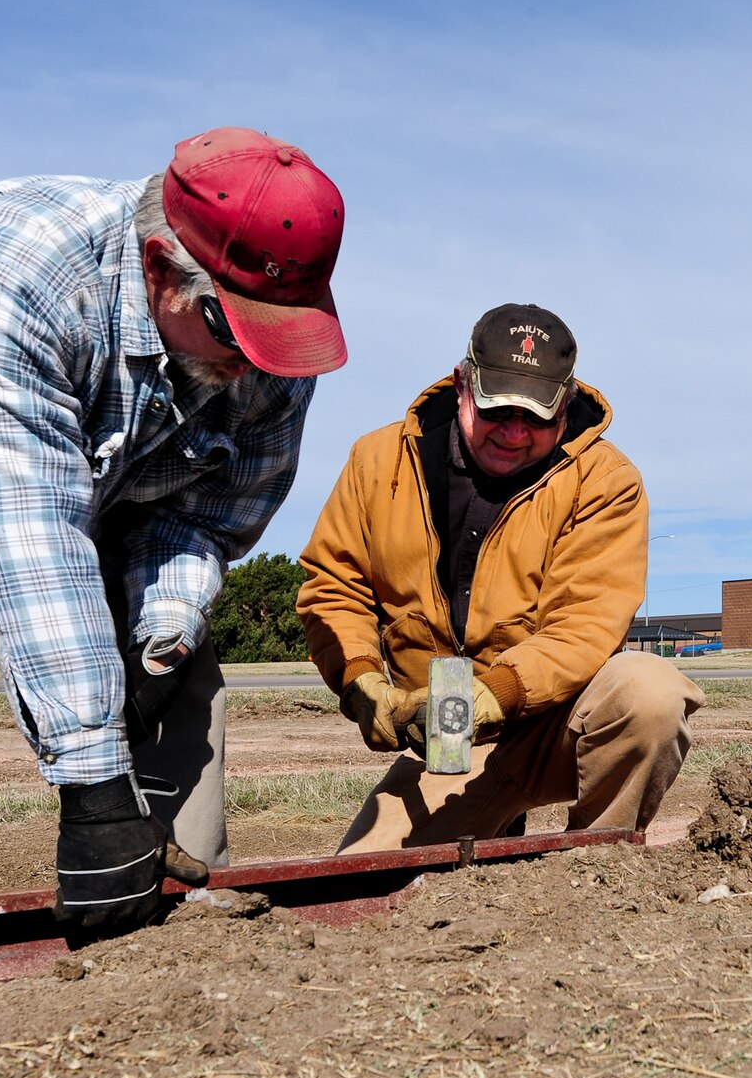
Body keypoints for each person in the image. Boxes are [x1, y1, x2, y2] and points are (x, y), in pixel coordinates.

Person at [0, 127, 347, 931]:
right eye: (233, 331)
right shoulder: (12, 275)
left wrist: (162, 633)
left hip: (102, 446)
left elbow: (206, 517)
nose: (255, 366)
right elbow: (29, 536)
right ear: (161, 273)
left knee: (179, 658)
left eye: (276, 338)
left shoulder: (264, 347)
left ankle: (185, 921)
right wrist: (94, 785)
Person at [296, 304, 705, 852]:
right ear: (464, 384)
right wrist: (359, 675)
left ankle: (599, 869)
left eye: (537, 416)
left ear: (566, 401)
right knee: (361, 886)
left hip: (556, 729)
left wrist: (500, 691)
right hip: (445, 742)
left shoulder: (606, 481)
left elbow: (585, 622)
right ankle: (482, 829)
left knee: (649, 693)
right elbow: (335, 586)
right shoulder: (379, 461)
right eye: (497, 409)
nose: (514, 433)